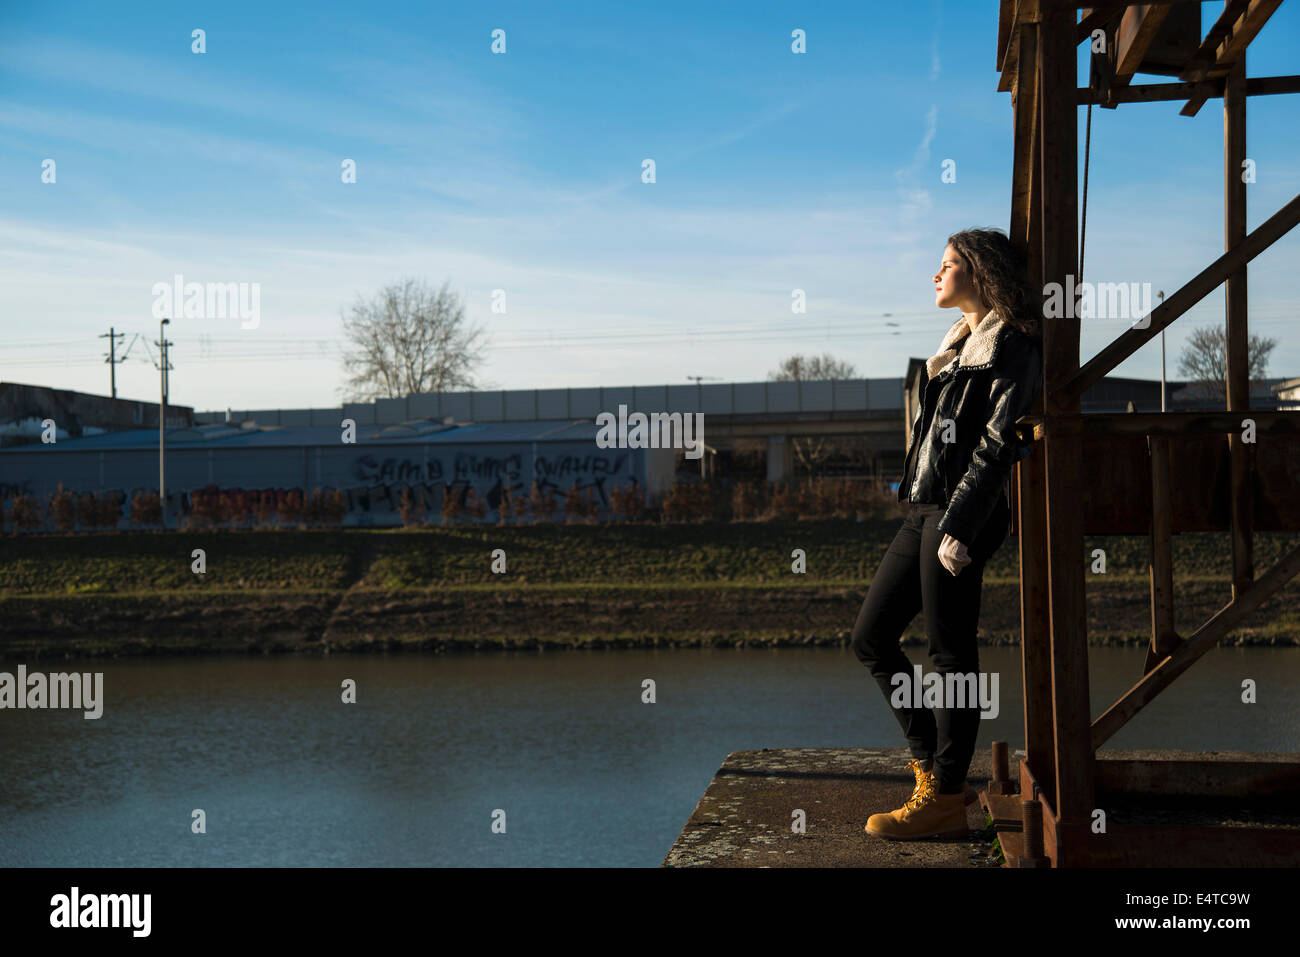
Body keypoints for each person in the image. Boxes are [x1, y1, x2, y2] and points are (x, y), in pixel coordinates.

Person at [853, 228, 1043, 841]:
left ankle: (943, 792)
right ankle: (931, 763)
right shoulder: (959, 345)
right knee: (872, 637)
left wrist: (959, 523)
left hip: (963, 512)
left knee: (950, 653)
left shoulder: (1010, 344)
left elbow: (995, 443)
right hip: (925, 509)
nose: (936, 276)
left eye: (947, 265)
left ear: (981, 273)